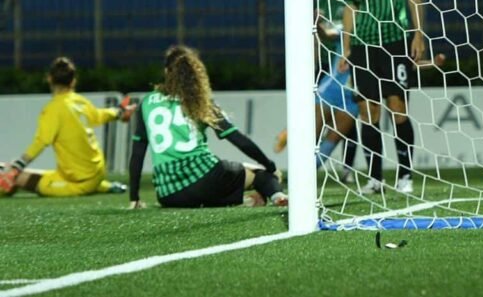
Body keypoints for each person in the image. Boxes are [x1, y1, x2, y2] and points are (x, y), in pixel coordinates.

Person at [127, 45, 287, 209]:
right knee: (263, 175)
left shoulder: (147, 102)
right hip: (207, 180)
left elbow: (137, 154)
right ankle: (277, 196)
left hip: (169, 194)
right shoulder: (199, 101)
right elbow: (238, 140)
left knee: (208, 191)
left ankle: (248, 201)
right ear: (195, 73)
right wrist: (270, 166)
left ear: (167, 72)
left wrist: (134, 198)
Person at [345, 0, 427, 195]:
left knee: (397, 108)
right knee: (368, 112)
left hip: (395, 42)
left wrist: (418, 35)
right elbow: (350, 9)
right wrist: (346, 47)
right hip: (363, 45)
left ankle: (405, 176)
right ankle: (375, 178)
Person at [274, 0, 362, 183]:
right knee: (337, 117)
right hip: (330, 65)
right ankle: (307, 167)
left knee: (343, 119)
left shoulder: (352, 1)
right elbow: (324, 37)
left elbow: (339, 35)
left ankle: (346, 167)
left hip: (346, 65)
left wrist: (321, 28)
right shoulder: (324, 1)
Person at [0, 57, 136, 197]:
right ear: (73, 81)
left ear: (49, 78)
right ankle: (102, 186)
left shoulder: (53, 109)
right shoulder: (80, 101)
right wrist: (119, 112)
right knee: (9, 170)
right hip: (96, 173)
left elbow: (41, 142)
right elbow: (99, 115)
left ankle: (93, 187)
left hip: (76, 182)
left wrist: (16, 168)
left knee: (12, 179)